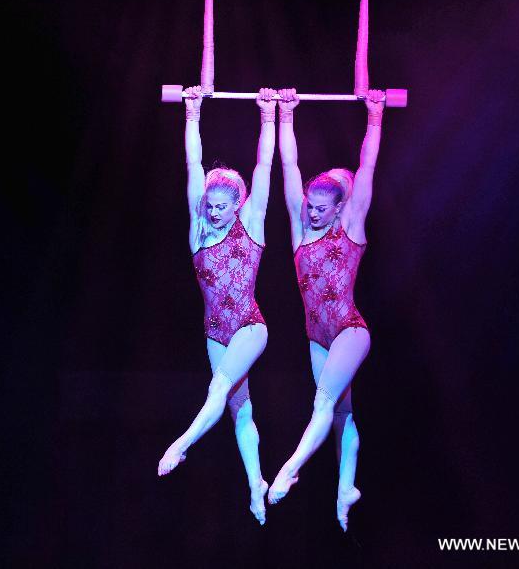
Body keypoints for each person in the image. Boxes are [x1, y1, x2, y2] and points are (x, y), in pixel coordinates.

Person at [157, 85, 277, 525]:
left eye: (222, 206)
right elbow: (193, 164)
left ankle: (181, 444)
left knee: (217, 390)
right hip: (214, 332)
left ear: (238, 206)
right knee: (239, 409)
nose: (212, 211)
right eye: (209, 204)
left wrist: (270, 117)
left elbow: (264, 166)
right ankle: (255, 487)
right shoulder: (198, 229)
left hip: (250, 325)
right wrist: (192, 113)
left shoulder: (251, 226)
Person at [267, 87, 386, 532]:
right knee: (341, 414)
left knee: (321, 404)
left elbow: (368, 167)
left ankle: (287, 471)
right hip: (317, 337)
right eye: (309, 208)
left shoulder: (351, 227)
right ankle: (345, 491)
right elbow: (289, 167)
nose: (312, 213)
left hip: (349, 330)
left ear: (340, 209)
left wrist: (375, 118)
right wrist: (284, 116)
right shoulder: (301, 233)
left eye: (321, 209)